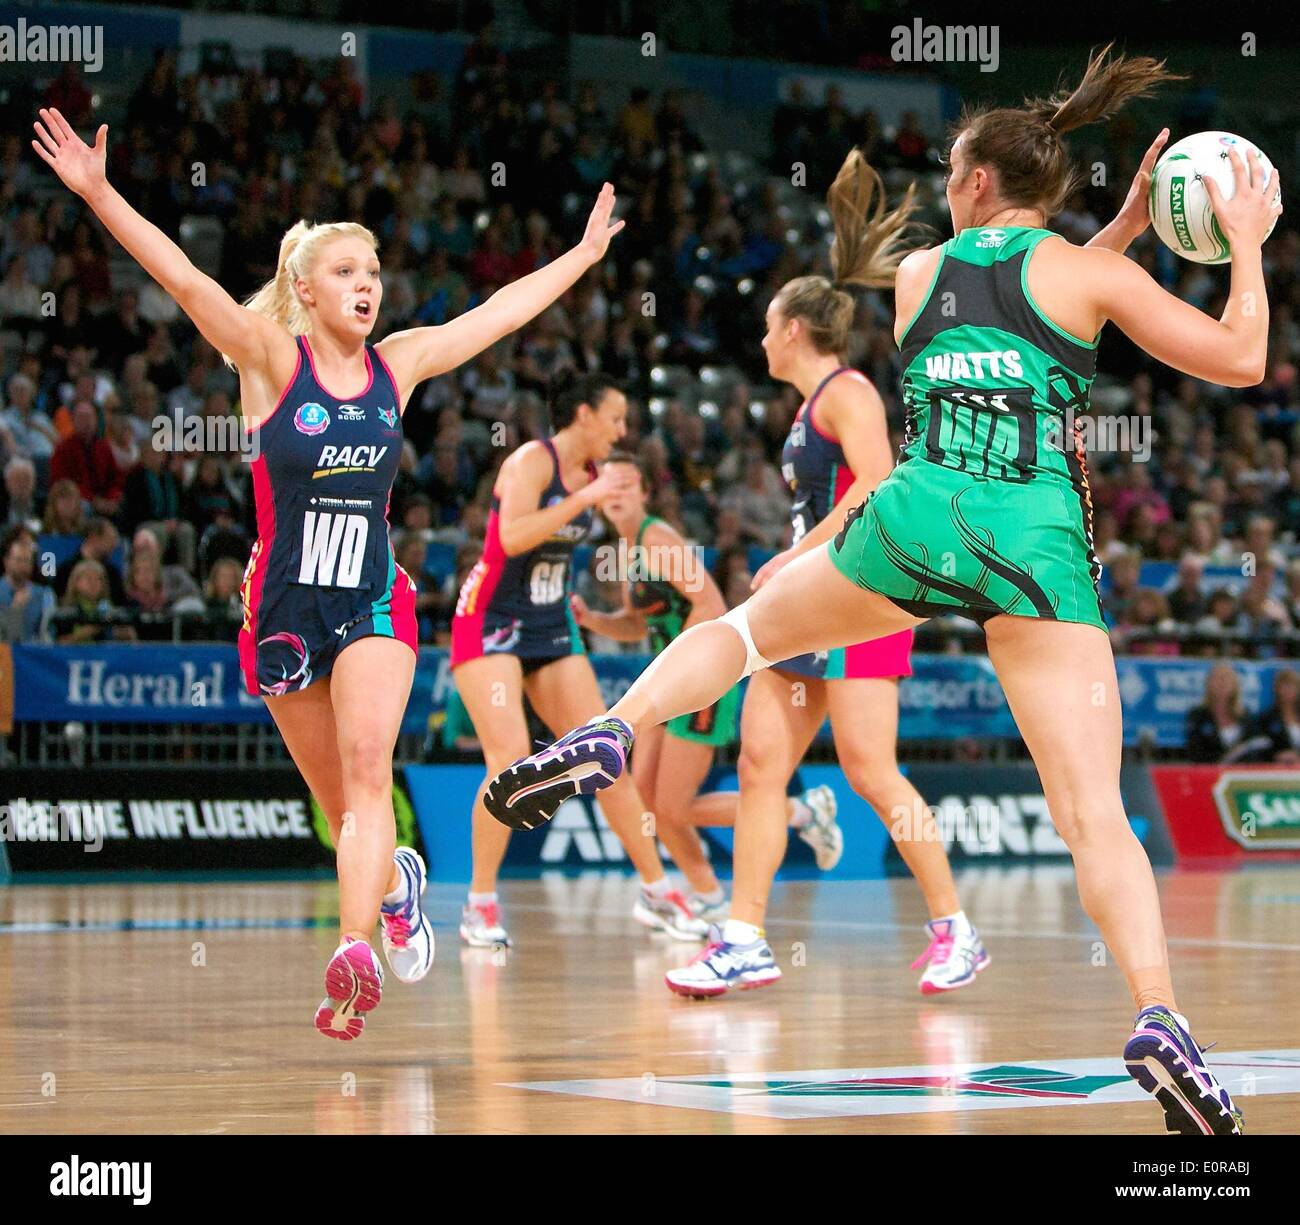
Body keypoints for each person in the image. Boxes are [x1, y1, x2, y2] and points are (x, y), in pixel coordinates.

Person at [483, 48, 1278, 1134]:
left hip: (912, 521)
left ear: (979, 185)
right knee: (1095, 813)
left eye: (954, 169)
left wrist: (1119, 231)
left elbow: (1018, 295)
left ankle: (618, 727)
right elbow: (1232, 354)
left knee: (750, 631)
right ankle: (1156, 1014)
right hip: (1034, 545)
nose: (945, 181)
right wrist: (1234, 244)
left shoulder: (915, 281)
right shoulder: (1091, 277)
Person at [34, 105, 627, 1039]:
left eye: (375, 272)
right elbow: (185, 280)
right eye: (347, 272)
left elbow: (496, 312)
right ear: (305, 290)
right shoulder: (272, 360)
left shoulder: (399, 363)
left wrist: (583, 260)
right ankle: (396, 886)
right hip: (280, 613)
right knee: (340, 799)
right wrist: (100, 194)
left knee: (365, 769)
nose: (368, 285)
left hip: (372, 600)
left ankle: (354, 947)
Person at [664, 150, 984, 999]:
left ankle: (956, 926)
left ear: (795, 329)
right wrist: (795, 564)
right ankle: (743, 938)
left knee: (871, 769)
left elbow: (882, 485)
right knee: (763, 764)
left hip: (861, 595)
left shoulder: (847, 392)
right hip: (809, 604)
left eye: (769, 325)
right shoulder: (811, 405)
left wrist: (793, 557)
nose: (762, 337)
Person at [450, 372, 705, 947]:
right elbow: (511, 539)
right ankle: (480, 904)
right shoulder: (531, 462)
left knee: (603, 751)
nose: (620, 429)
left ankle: (657, 891)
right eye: (614, 417)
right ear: (584, 415)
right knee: (510, 757)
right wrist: (585, 499)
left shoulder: (596, 476)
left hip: (549, 623)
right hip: (489, 620)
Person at [572, 451, 842, 927]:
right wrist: (594, 621)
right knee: (652, 803)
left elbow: (711, 603)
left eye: (626, 485)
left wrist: (679, 663)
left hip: (699, 684)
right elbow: (639, 626)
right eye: (607, 486)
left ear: (644, 492)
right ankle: (706, 893)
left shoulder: (658, 537)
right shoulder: (625, 550)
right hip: (665, 683)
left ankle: (799, 814)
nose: (615, 495)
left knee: (673, 809)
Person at [0, 526, 54, 643]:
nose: (23, 566)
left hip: (33, 656)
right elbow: (6, 638)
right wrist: (16, 609)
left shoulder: (43, 594)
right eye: (18, 560)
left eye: (27, 561)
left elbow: (48, 635)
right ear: (6, 561)